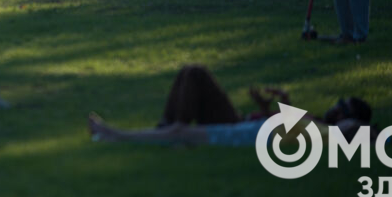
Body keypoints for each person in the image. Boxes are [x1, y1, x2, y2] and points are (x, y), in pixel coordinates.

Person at [87, 65, 372, 147]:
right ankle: (165, 130)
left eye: (342, 107)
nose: (336, 107)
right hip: (246, 121)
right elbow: (285, 123)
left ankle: (116, 134)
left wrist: (374, 133)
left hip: (242, 127)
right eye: (339, 103)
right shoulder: (318, 126)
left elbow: (358, 130)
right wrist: (268, 105)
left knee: (195, 76)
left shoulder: (327, 132)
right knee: (191, 72)